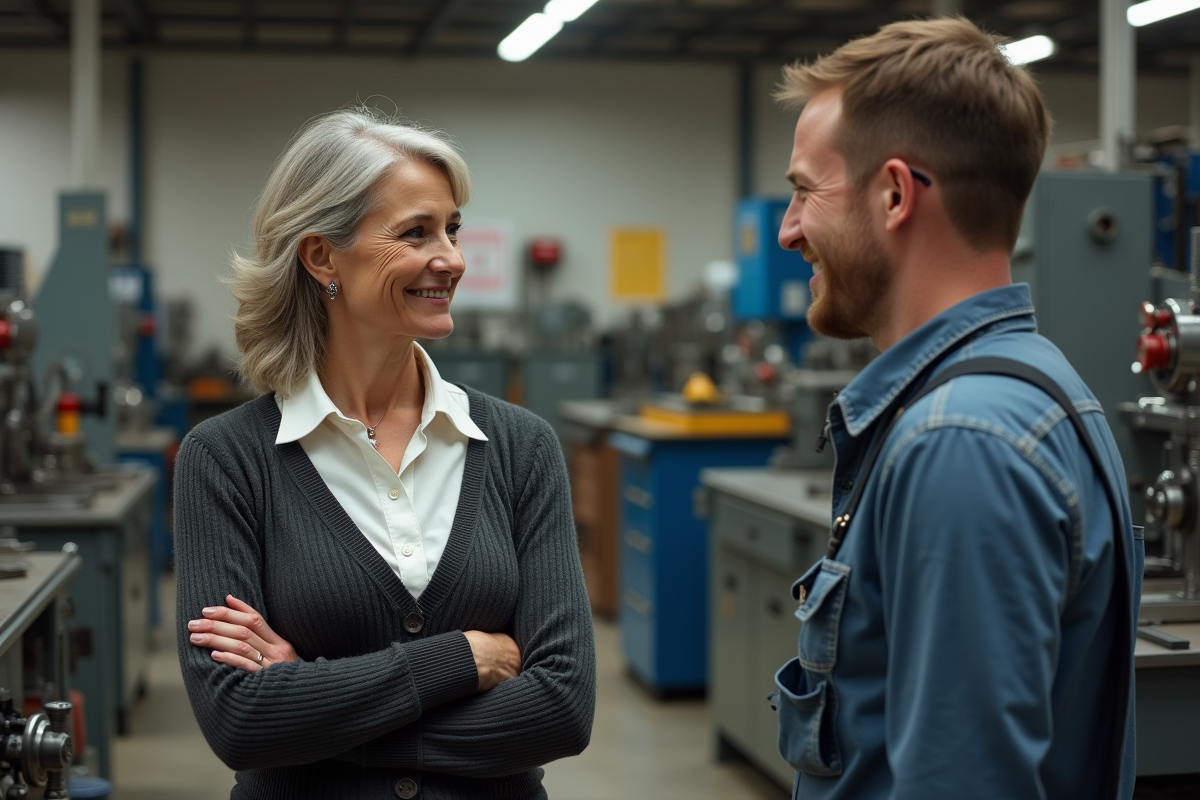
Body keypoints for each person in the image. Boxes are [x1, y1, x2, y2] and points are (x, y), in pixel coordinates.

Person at [174, 108, 596, 800]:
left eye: (452, 229)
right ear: (321, 257)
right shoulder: (226, 460)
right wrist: (463, 657)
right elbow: (240, 721)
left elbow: (561, 709)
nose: (453, 259)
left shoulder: (521, 447)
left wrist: (312, 700)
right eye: (416, 233)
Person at [770, 18, 1141, 800]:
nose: (788, 229)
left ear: (896, 193)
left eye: (806, 190)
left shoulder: (961, 442)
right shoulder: (1036, 390)